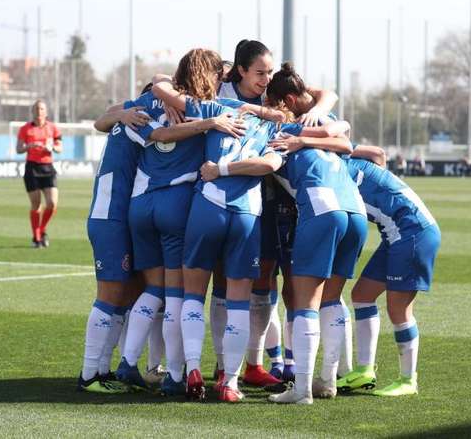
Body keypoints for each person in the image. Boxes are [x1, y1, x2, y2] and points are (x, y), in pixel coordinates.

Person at [115, 49, 246, 396]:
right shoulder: (208, 110)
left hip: (139, 205)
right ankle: (175, 375)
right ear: (210, 75)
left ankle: (127, 363)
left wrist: (159, 85)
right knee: (177, 295)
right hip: (176, 203)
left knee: (153, 289)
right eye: (218, 75)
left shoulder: (146, 100)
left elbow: (115, 116)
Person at [217, 40, 339, 389]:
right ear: (240, 70)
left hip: (276, 199)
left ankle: (277, 361)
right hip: (234, 197)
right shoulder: (221, 90)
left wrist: (320, 109)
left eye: (270, 72)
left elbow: (325, 94)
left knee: (284, 280)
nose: (266, 79)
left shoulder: (276, 93)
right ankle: (233, 364)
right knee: (235, 280)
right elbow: (169, 82)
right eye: (260, 72)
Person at [262, 63, 367, 404]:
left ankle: (302, 390)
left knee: (306, 300)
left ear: (284, 102)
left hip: (323, 208)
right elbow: (346, 138)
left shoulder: (279, 131)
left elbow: (264, 164)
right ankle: (329, 380)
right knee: (332, 299)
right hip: (356, 210)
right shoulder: (321, 120)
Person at [337, 145, 441, 397]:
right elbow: (378, 153)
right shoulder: (345, 160)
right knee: (362, 295)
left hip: (413, 232)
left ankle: (408, 380)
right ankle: (364, 370)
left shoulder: (337, 171)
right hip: (396, 234)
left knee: (399, 309)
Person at [77, 100, 150, 393]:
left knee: (122, 297)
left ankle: (103, 371)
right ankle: (88, 374)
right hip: (110, 219)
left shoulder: (125, 120)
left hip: (116, 218)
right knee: (109, 297)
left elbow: (102, 119)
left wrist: (119, 114)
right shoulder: (138, 122)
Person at [16, 100, 63, 248]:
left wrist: (53, 147)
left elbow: (60, 147)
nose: (39, 111)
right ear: (32, 111)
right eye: (36, 108)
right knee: (36, 204)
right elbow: (18, 149)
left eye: (42, 108)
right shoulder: (25, 129)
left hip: (48, 168)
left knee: (52, 203)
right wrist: (28, 146)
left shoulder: (53, 128)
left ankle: (42, 229)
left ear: (46, 112)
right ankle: (36, 237)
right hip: (32, 168)